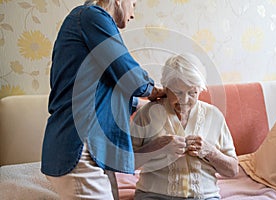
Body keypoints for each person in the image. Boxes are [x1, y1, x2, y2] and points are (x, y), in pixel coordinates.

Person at [41, 0, 164, 199]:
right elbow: (129, 76)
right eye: (133, 4)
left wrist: (152, 104)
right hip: (78, 149)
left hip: (82, 150)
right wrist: (155, 90)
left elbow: (103, 93)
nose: (133, 14)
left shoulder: (85, 25)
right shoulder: (91, 16)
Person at [130, 53, 239, 200]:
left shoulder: (214, 115)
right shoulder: (147, 114)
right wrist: (155, 147)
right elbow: (127, 164)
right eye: (178, 92)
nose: (184, 100)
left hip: (205, 197)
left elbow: (233, 170)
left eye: (192, 93)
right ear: (166, 88)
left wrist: (210, 152)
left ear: (200, 90)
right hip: (154, 195)